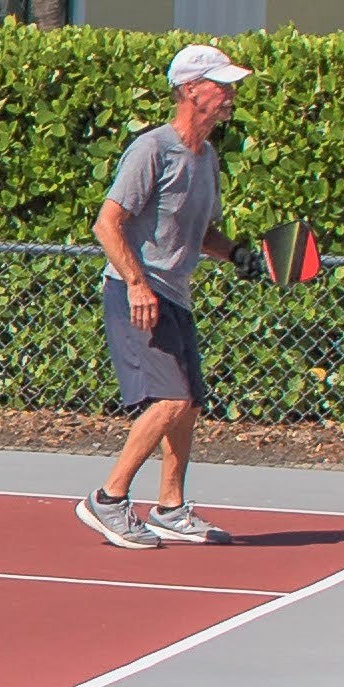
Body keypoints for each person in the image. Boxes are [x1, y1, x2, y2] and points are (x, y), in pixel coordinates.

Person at [83, 42, 249, 550]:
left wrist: (239, 254)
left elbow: (201, 235)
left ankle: (170, 508)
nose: (230, 94)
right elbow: (106, 225)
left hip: (175, 294)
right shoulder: (152, 149)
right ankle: (108, 499)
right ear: (190, 90)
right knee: (171, 398)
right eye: (221, 85)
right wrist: (136, 284)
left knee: (190, 402)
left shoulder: (207, 158)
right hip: (135, 292)